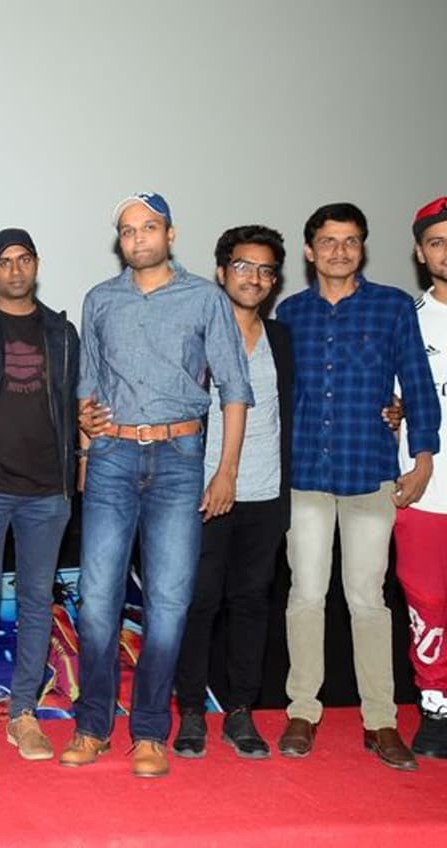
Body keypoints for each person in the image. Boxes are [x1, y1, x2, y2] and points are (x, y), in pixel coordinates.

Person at [68, 193, 251, 778]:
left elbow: (234, 389)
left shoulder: (204, 298)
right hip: (112, 456)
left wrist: (226, 471)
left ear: (170, 235)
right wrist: (85, 444)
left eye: (148, 227)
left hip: (179, 457)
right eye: (128, 230)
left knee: (168, 603)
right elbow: (88, 386)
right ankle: (92, 726)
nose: (138, 238)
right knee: (98, 599)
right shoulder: (100, 299)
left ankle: (149, 732)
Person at [275, 202, 439, 771]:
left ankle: (381, 721)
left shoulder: (393, 307)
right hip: (305, 476)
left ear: (362, 248)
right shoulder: (290, 313)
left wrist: (423, 458)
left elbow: (418, 384)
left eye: (350, 241)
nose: (339, 251)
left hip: (369, 471)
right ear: (309, 250)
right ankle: (302, 710)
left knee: (368, 600)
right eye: (328, 241)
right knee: (305, 595)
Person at [0, 228, 79, 760]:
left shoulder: (62, 334)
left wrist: (79, 465)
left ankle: (24, 712)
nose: (15, 269)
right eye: (4, 262)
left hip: (47, 491)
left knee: (36, 602)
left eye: (24, 259)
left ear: (36, 265)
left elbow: (75, 405)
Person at [171, 225, 293, 759]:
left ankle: (241, 709)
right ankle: (191, 711)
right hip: (200, 492)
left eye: (266, 270)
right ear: (221, 273)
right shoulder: (193, 337)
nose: (255, 278)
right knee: (198, 602)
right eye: (243, 266)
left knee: (251, 603)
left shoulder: (282, 340)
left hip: (265, 494)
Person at [392, 196, 447, 759]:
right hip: (425, 489)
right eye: (437, 242)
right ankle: (435, 706)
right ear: (419, 252)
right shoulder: (404, 318)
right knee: (427, 600)